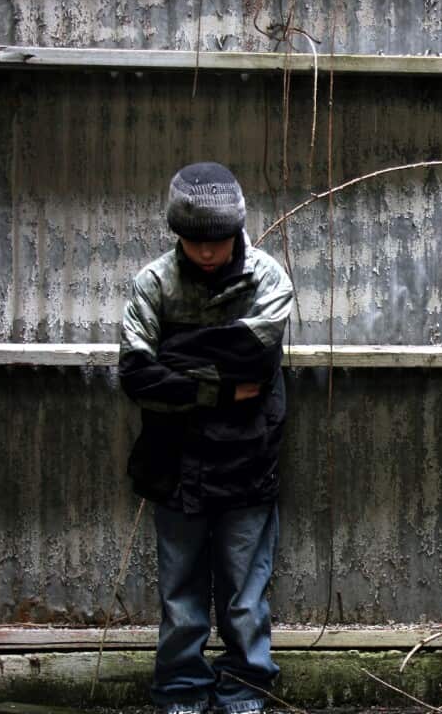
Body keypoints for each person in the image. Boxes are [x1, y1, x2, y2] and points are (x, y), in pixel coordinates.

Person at [119, 161, 293, 714]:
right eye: (195, 242)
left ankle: (245, 690)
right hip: (174, 463)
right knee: (181, 599)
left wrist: (174, 356)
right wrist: (218, 391)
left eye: (217, 240)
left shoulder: (268, 279)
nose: (208, 253)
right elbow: (136, 376)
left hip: (248, 459)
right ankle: (180, 691)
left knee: (245, 599)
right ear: (178, 234)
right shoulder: (154, 282)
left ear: (235, 230)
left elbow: (257, 358)